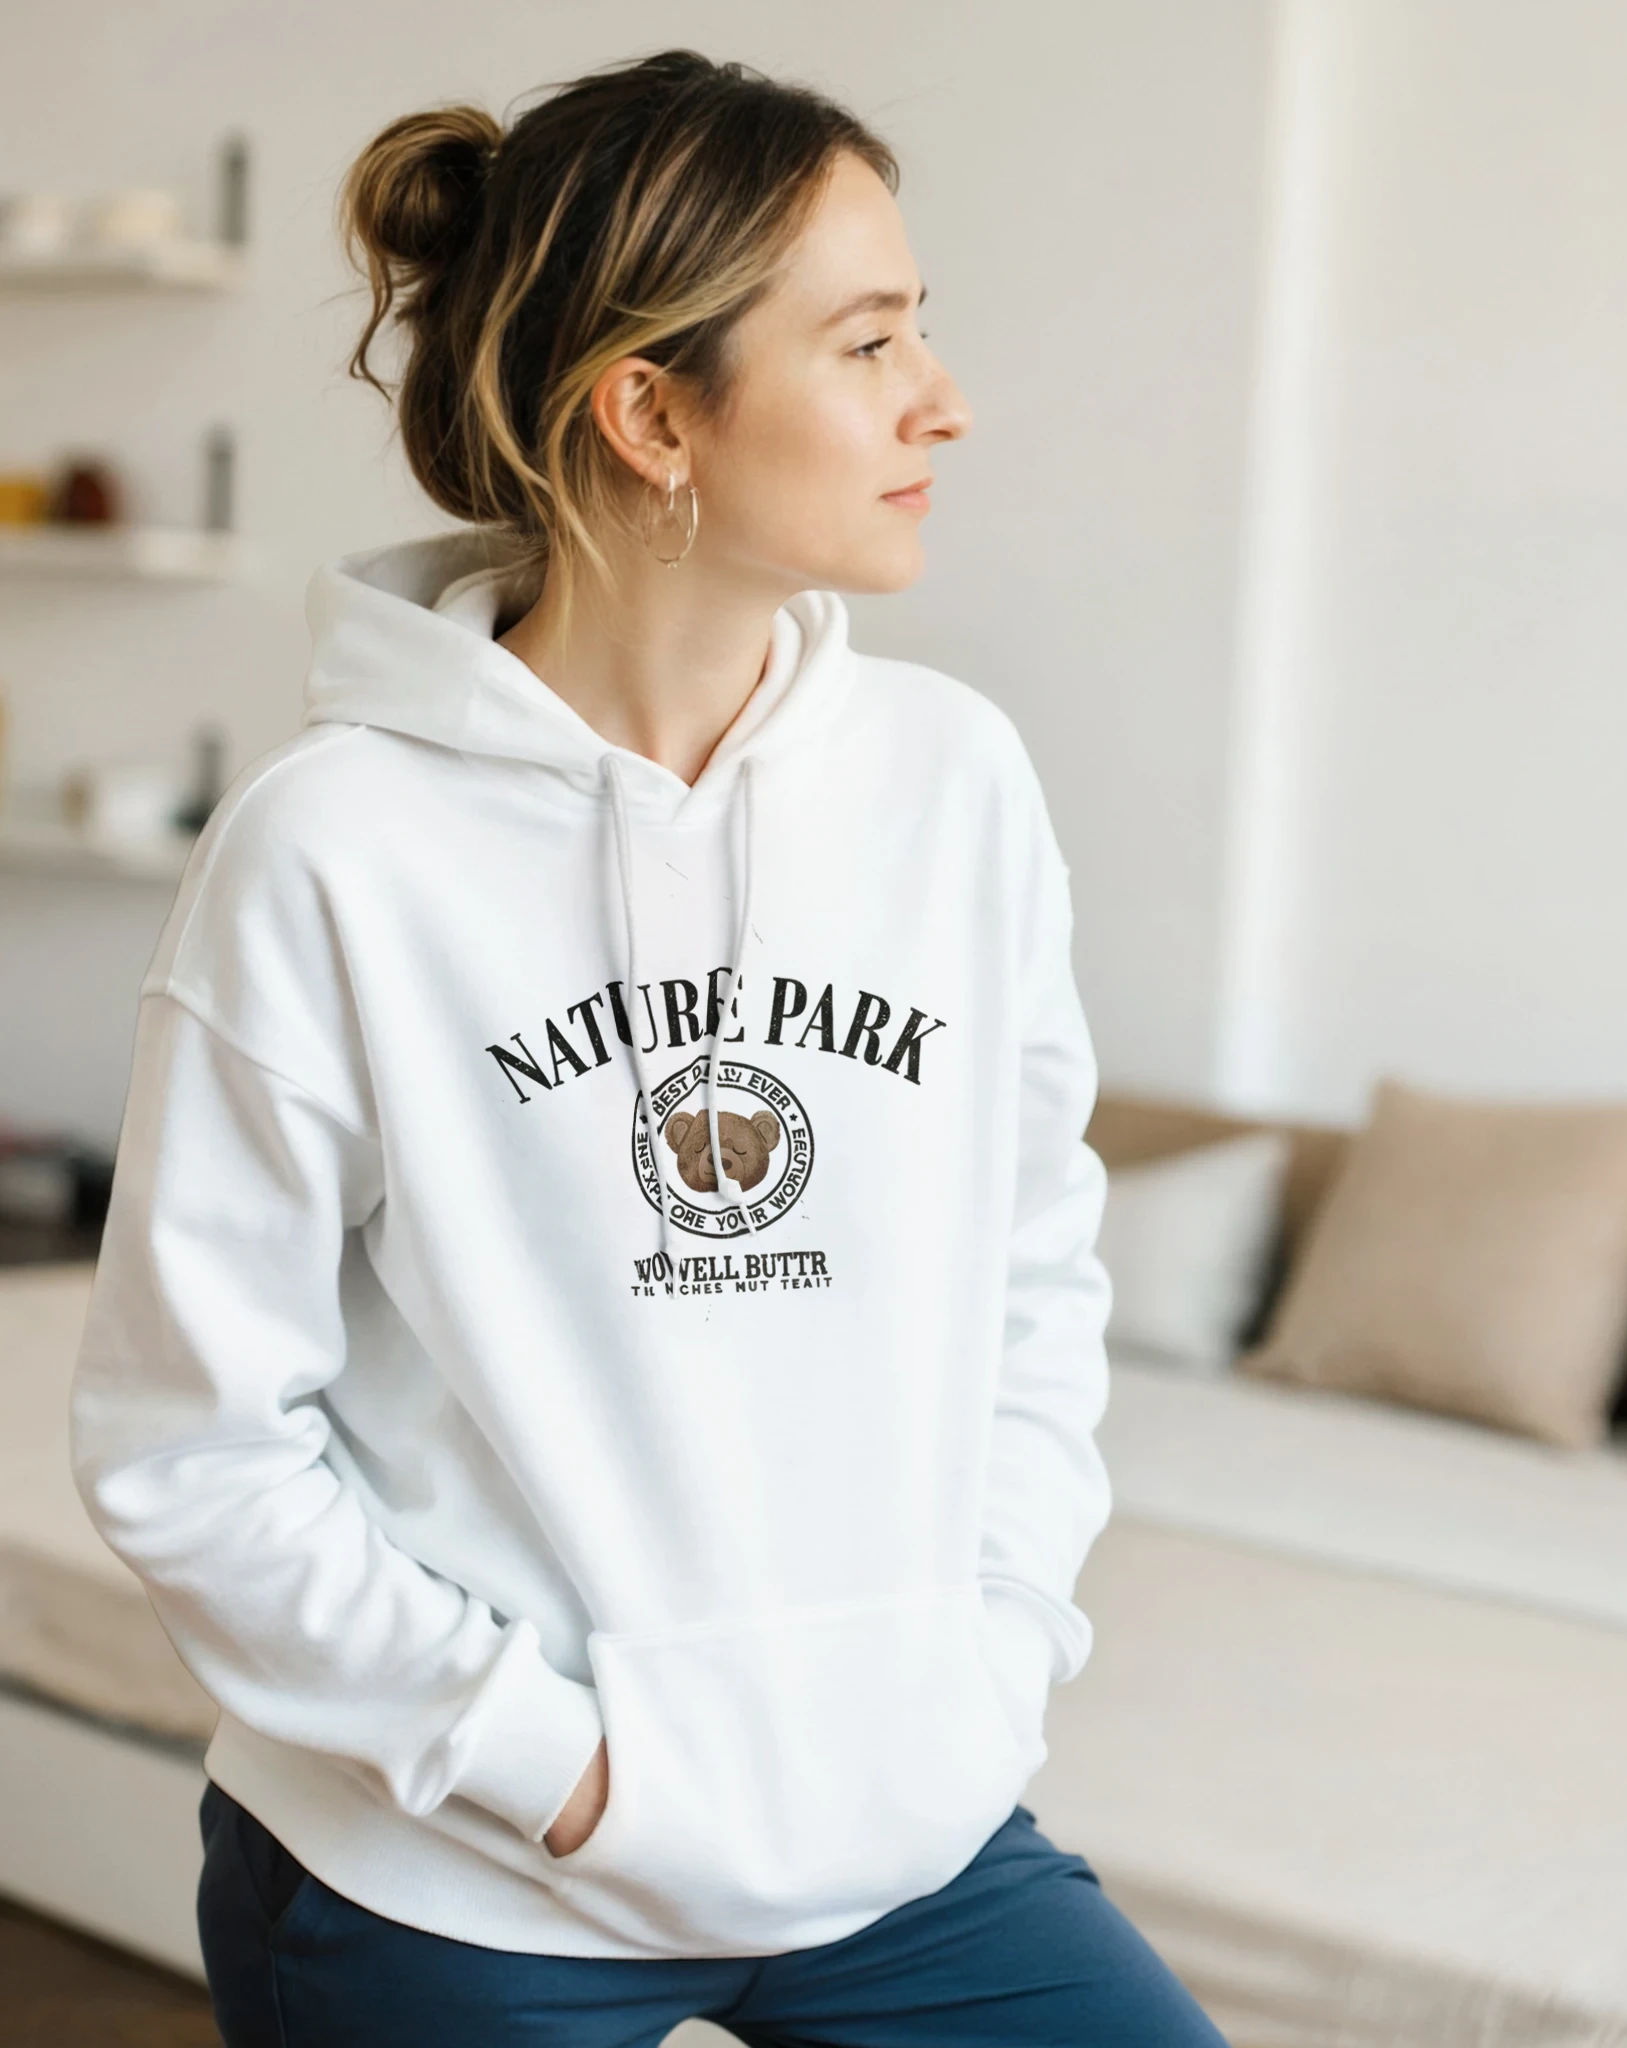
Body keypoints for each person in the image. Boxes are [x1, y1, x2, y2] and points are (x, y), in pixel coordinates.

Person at [68, 47, 1229, 2048]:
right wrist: (556, 1767)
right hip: (463, 1860)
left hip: (897, 1826)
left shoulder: (954, 784)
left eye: (919, 329)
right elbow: (189, 1443)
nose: (943, 400)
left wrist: (986, 1669)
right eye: (868, 342)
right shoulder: (332, 847)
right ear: (651, 412)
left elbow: (1034, 1275)